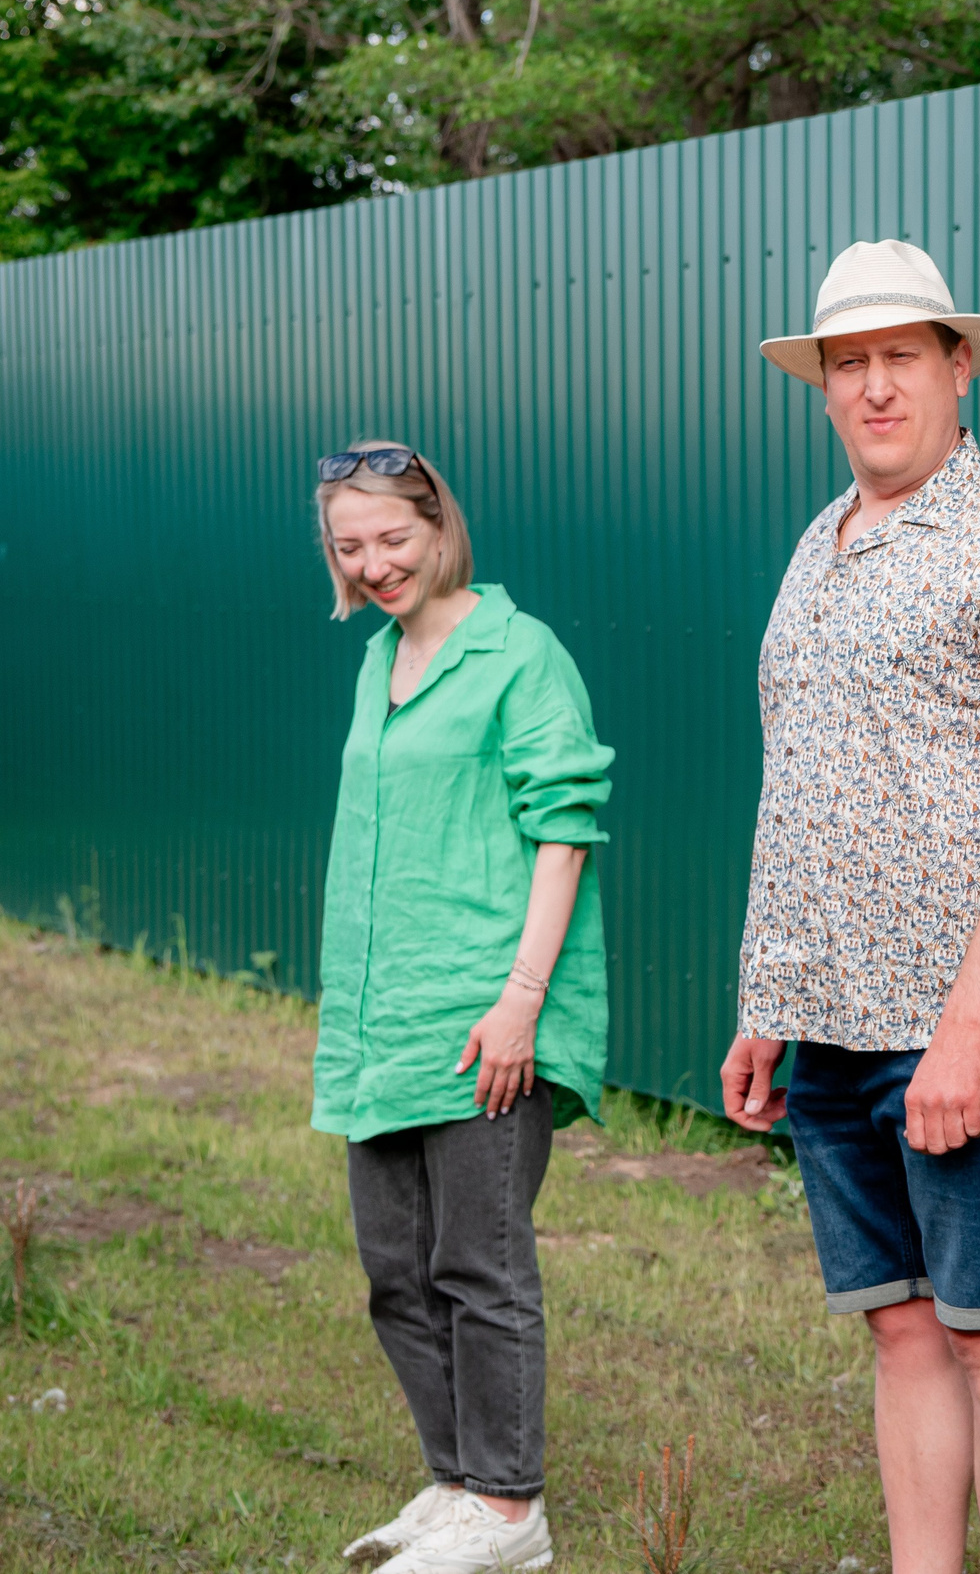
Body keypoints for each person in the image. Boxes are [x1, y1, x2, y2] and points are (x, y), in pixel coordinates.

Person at [719, 240, 980, 1574]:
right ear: (822, 385)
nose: (874, 387)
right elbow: (801, 780)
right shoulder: (817, 547)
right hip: (829, 1018)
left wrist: (969, 1027)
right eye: (848, 364)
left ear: (956, 365)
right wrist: (770, 998)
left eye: (899, 357)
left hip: (962, 1027)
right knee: (900, 1325)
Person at [310, 441, 613, 1574]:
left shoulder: (520, 653)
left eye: (394, 537)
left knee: (478, 1265)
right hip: (386, 1017)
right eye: (351, 545)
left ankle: (509, 1507)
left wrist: (521, 1000)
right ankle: (453, 1483)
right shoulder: (377, 659)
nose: (377, 563)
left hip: (488, 1012)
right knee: (396, 1267)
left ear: (440, 528)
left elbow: (564, 825)